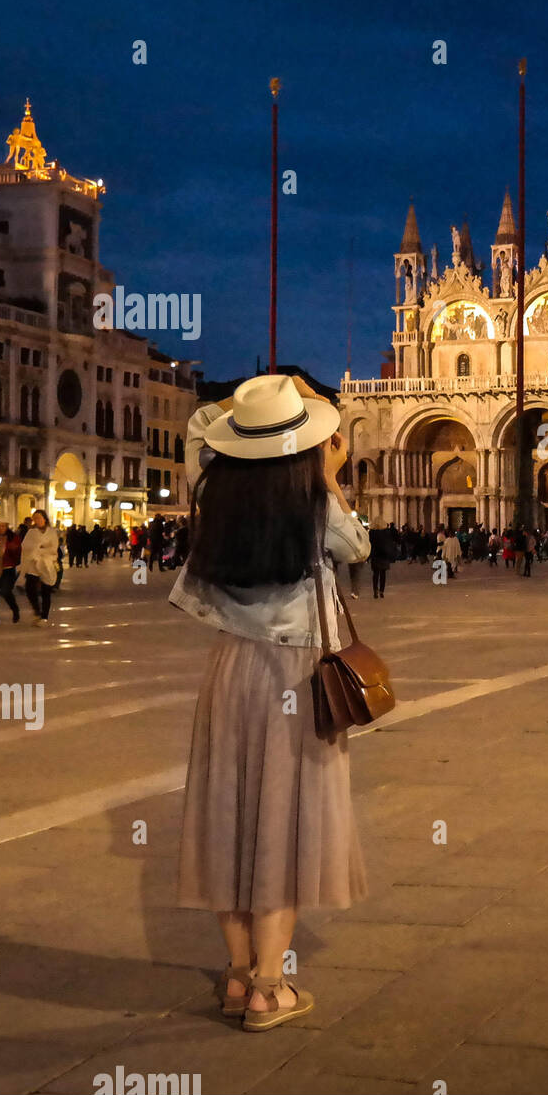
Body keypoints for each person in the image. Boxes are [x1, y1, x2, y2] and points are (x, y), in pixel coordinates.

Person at [173, 373, 370, 1032]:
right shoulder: (312, 506)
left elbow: (202, 429)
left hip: (231, 670)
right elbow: (358, 546)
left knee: (229, 817)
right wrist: (330, 475)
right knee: (284, 825)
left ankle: (235, 978)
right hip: (295, 674)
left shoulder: (220, 503)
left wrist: (237, 416)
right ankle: (268, 985)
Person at [21, 509, 60, 625]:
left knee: (46, 591)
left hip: (47, 563)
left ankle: (44, 617)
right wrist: (38, 548)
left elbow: (53, 548)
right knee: (29, 588)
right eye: (35, 518)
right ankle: (37, 610)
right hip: (33, 564)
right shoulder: (31, 532)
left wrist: (40, 549)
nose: (37, 520)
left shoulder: (51, 532)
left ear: (44, 519)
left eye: (39, 518)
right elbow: (25, 546)